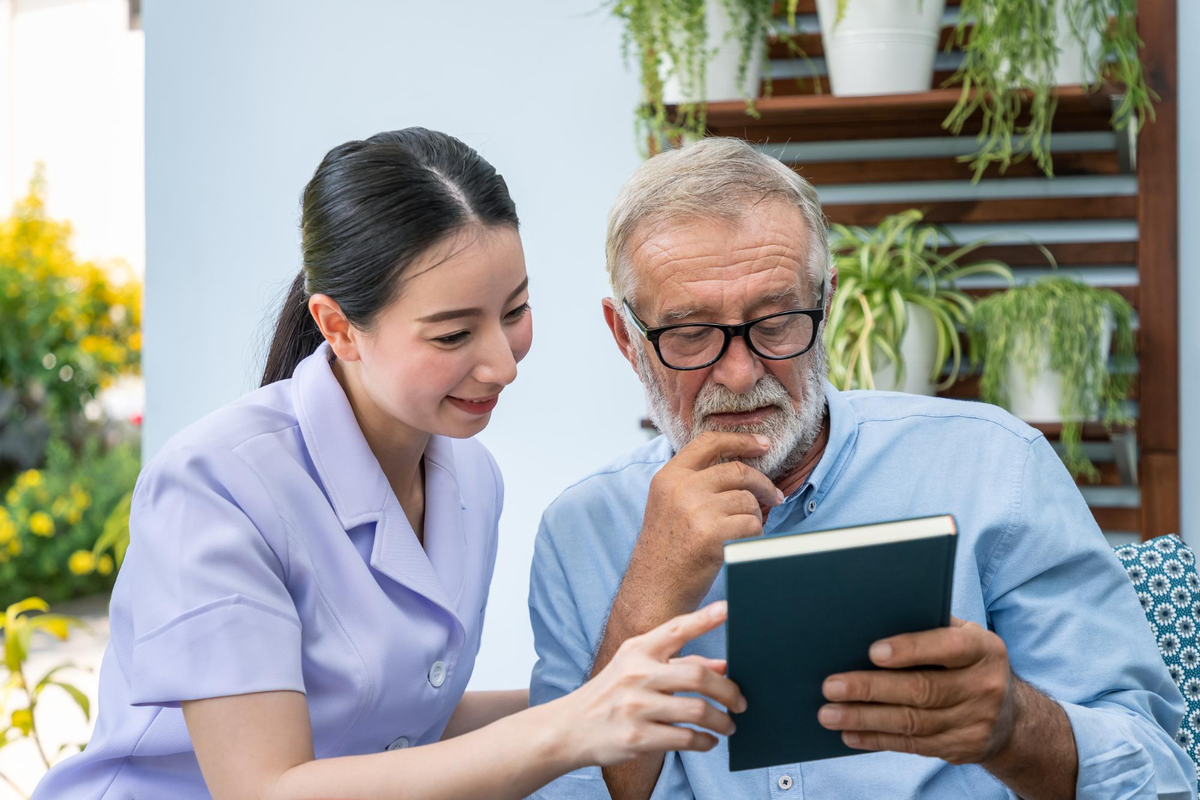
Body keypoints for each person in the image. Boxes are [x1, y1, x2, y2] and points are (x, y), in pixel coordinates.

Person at [32, 128, 746, 800]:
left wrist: (621, 696)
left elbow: (395, 728)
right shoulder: (218, 485)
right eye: (453, 333)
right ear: (338, 327)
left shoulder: (470, 480)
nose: (501, 363)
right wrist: (567, 726)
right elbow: (266, 788)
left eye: (515, 311)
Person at [527, 136, 1197, 799]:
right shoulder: (581, 532)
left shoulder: (995, 467)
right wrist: (646, 597)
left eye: (776, 321)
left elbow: (1163, 777)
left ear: (827, 302)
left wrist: (1016, 728)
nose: (739, 373)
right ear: (626, 338)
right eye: (691, 333)